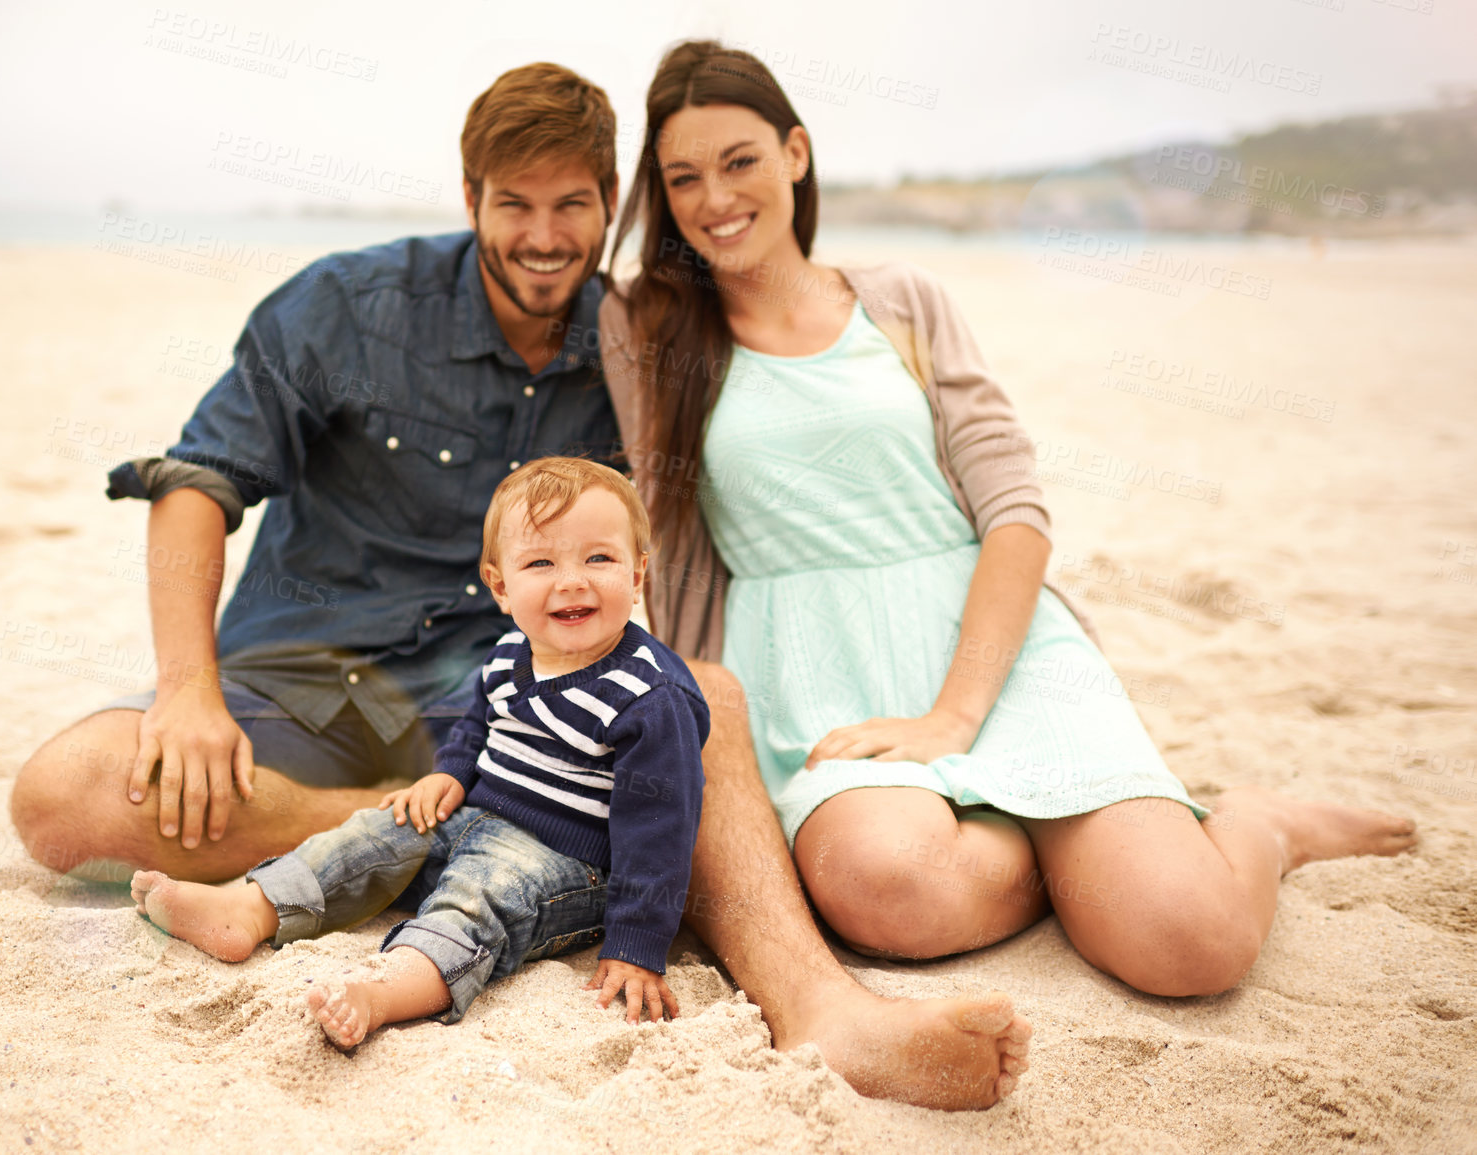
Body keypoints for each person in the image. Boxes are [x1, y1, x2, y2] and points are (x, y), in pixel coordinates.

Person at [12, 59, 1034, 1111]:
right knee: (65, 795)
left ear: (609, 209)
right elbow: (198, 483)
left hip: (523, 697)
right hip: (306, 681)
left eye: (573, 208)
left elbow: (779, 450)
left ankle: (826, 1009)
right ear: (470, 198)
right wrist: (186, 686)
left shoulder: (638, 342)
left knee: (705, 699)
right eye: (515, 206)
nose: (544, 237)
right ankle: (477, 831)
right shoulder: (345, 306)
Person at [599, 40, 1417, 1004]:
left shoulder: (901, 301)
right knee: (886, 885)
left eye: (739, 160)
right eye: (681, 176)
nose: (713, 198)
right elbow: (524, 268)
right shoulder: (644, 328)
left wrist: (954, 716)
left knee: (1190, 942)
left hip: (988, 641)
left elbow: (1013, 510)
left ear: (796, 153)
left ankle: (1255, 825)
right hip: (811, 670)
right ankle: (1068, 853)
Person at [129, 458, 708, 1044]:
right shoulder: (511, 651)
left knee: (479, 897)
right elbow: (479, 723)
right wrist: (451, 774)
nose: (572, 580)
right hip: (469, 820)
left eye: (598, 558)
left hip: (562, 863)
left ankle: (386, 989)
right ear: (501, 585)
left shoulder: (649, 697)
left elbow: (661, 831)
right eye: (540, 563)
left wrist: (637, 944)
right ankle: (250, 909)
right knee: (373, 832)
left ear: (638, 574)